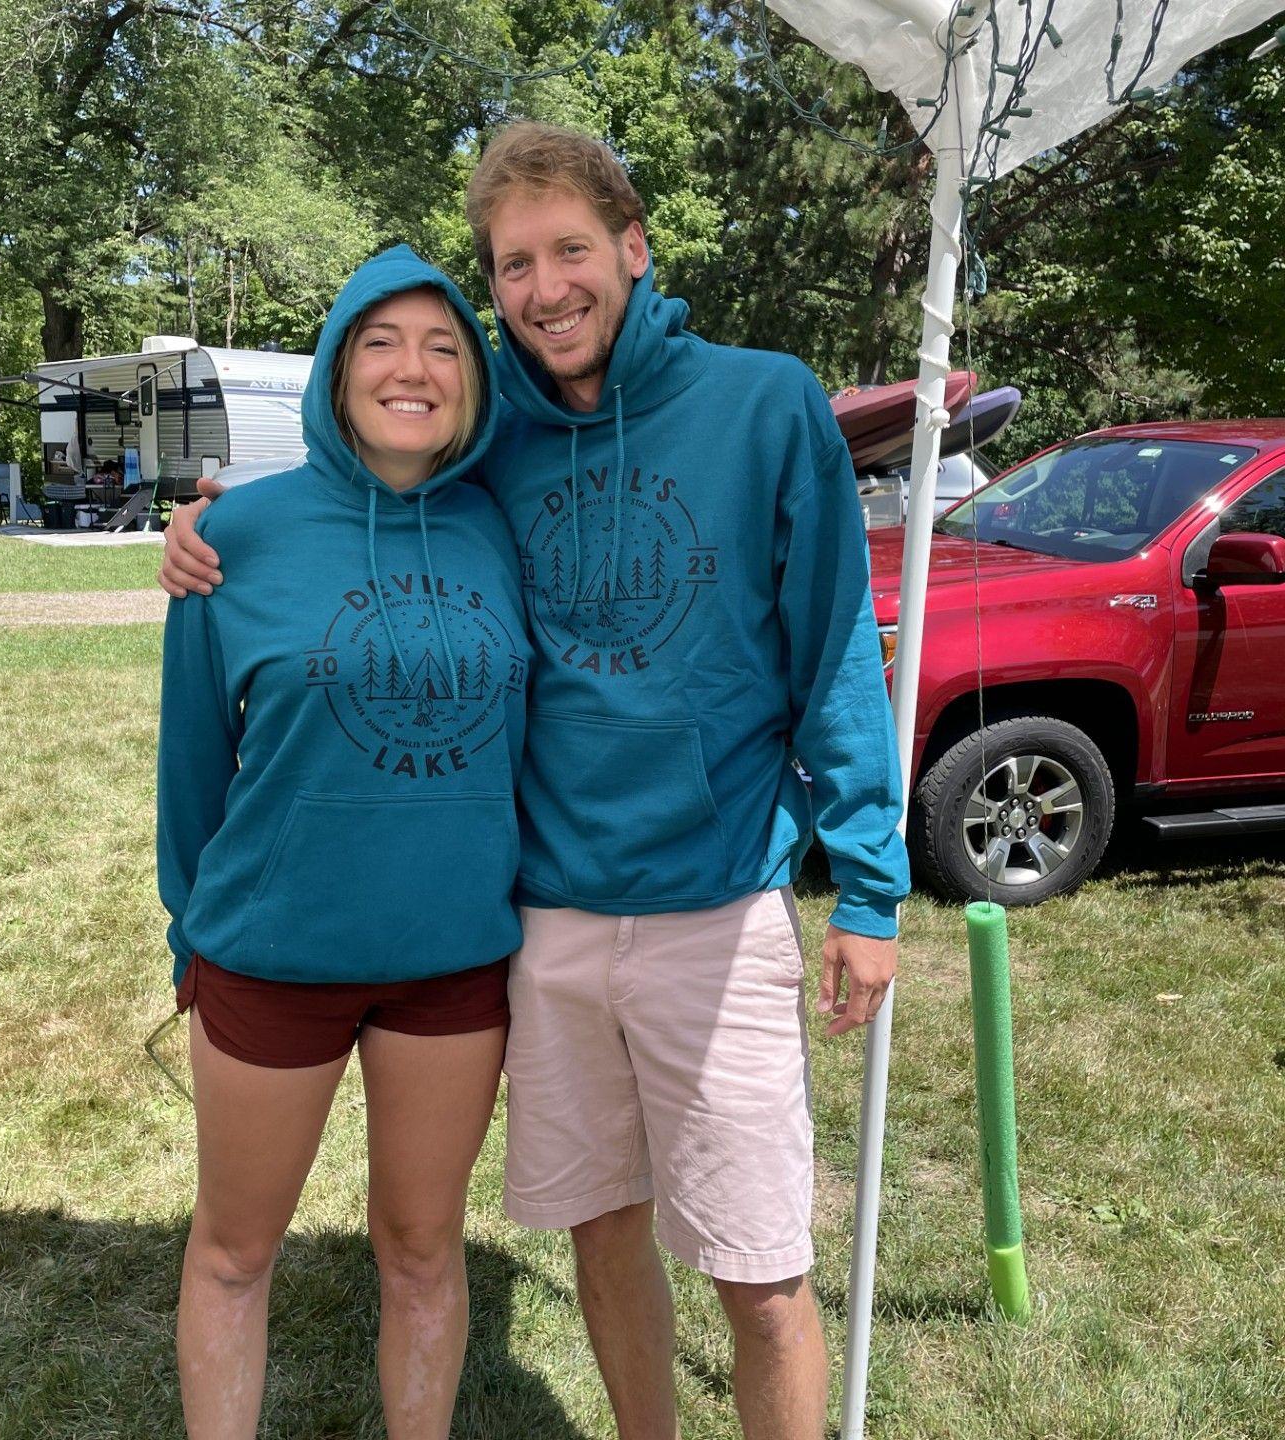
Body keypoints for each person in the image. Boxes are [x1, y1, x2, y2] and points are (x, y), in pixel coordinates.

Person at [161, 123, 910, 1440]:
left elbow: (835, 643)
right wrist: (206, 525)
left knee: (758, 1269)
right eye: (514, 263)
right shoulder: (488, 423)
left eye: (572, 250)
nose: (545, 286)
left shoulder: (764, 401)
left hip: (713, 901)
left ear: (633, 246)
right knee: (604, 1235)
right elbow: (368, 455)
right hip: (545, 920)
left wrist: (869, 886)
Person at [157, 246, 529, 1440]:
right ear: (335, 368)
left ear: (474, 380)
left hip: (455, 961)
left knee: (424, 1249)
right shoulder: (236, 537)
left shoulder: (507, 529)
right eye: (380, 342)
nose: (411, 369)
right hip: (273, 953)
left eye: (442, 346)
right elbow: (191, 765)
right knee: (233, 1250)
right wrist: (187, 927)